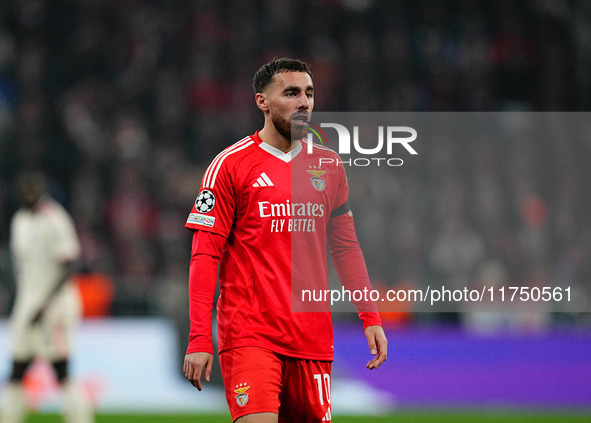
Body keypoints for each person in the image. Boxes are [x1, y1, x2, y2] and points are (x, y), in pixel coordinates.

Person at [183, 58, 387, 422]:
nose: (303, 102)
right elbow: (204, 255)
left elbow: (346, 248)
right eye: (291, 93)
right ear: (262, 101)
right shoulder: (230, 165)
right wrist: (200, 337)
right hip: (251, 336)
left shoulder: (329, 165)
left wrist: (370, 316)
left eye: (308, 93)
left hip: (312, 339)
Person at [1, 172, 93, 423]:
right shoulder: (20, 220)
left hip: (55, 306)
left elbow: (70, 264)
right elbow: (21, 267)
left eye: (33, 191)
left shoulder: (55, 218)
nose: (29, 196)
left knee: (60, 369)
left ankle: (80, 418)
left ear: (42, 191)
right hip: (27, 303)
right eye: (25, 191)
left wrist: (45, 303)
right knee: (17, 367)